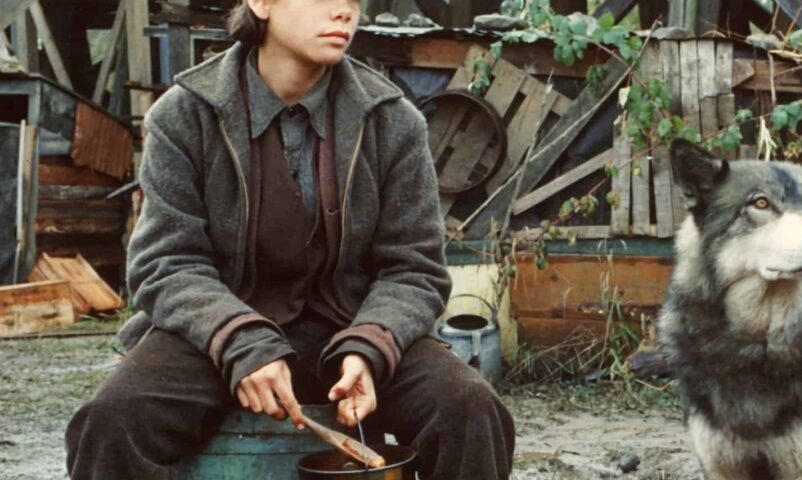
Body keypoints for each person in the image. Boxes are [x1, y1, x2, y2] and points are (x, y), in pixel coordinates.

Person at [64, 1, 514, 478]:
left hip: (352, 327)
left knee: (471, 409)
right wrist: (240, 341)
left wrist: (369, 347)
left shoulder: (392, 120)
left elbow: (414, 267)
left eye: (352, 0)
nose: (344, 12)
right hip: (217, 334)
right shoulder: (185, 115)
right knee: (112, 422)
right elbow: (166, 264)